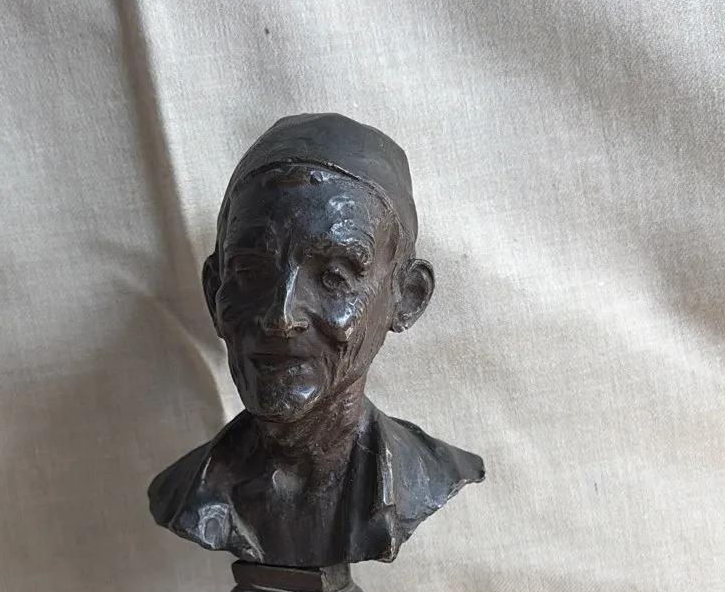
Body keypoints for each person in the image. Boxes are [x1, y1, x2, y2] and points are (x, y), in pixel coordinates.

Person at [149, 113, 484, 567]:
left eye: (332, 277)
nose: (280, 318)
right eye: (250, 273)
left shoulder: (428, 476)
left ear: (407, 297)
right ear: (215, 292)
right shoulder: (189, 492)